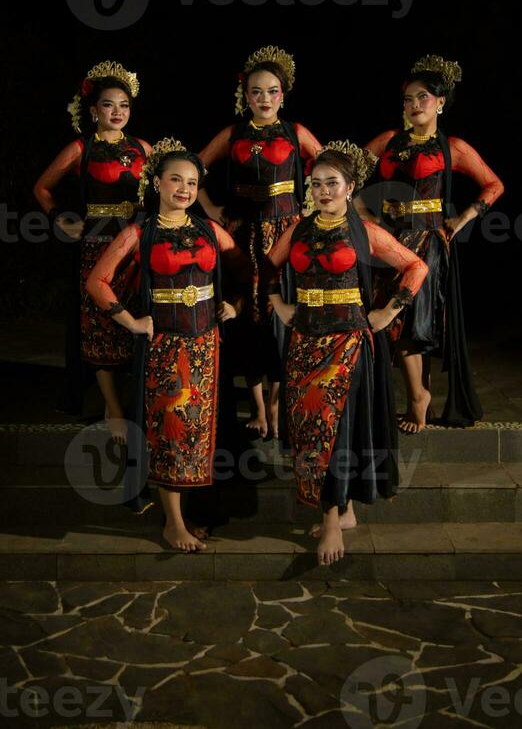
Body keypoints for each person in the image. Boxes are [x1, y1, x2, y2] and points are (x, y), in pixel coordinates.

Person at [266, 143, 428, 566]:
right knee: (311, 428)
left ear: (350, 186)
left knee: (335, 428)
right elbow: (266, 266)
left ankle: (333, 521)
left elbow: (416, 267)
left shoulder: (365, 230)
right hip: (304, 340)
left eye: (331, 183)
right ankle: (346, 509)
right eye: (315, 183)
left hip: (349, 341)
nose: (322, 190)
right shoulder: (298, 229)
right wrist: (278, 304)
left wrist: (387, 312)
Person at [86, 138, 248, 551]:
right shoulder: (140, 232)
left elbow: (242, 270)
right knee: (170, 434)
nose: (184, 189)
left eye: (192, 183)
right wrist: (130, 321)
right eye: (175, 179)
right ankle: (172, 522)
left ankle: (196, 514)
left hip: (207, 347)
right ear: (156, 182)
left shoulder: (210, 230)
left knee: (203, 434)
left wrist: (235, 303)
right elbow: (96, 281)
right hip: (164, 348)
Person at [359, 54, 504, 432]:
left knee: (410, 322)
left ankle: (418, 399)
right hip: (388, 240)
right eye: (408, 99)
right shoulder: (389, 140)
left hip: (427, 241)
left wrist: (463, 218)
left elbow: (494, 184)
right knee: (384, 321)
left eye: (422, 97)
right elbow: (345, 171)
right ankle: (404, 395)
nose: (413, 105)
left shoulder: (452, 147)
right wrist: (362, 213)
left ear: (440, 102)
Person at [197, 45, 321, 439]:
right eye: (256, 91)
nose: (264, 99)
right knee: (246, 315)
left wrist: (311, 213)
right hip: (243, 234)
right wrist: (209, 207)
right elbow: (193, 166)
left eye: (271, 91)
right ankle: (256, 406)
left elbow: (331, 167)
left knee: (280, 315)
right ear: (244, 95)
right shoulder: (233, 133)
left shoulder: (296, 132)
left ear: (283, 94)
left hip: (285, 235)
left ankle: (276, 403)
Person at [34, 61, 151, 441]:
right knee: (100, 322)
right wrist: (61, 219)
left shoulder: (144, 149)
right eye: (108, 105)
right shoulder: (81, 148)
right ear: (93, 110)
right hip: (97, 243)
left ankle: (122, 397)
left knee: (132, 318)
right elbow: (42, 188)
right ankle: (114, 407)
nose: (117, 112)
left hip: (135, 243)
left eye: (124, 106)